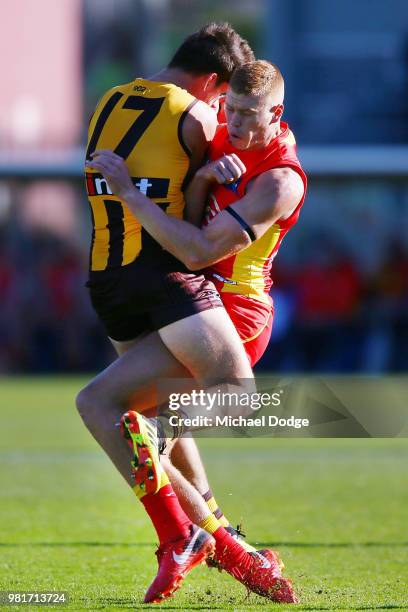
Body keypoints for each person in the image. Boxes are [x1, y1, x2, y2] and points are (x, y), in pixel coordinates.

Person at [80, 24, 297, 604]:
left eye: (258, 115)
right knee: (170, 456)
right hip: (194, 300)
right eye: (236, 111)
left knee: (124, 412)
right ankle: (247, 562)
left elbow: (199, 249)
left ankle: (181, 536)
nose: (243, 125)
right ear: (224, 98)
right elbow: (193, 215)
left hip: (239, 310)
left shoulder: (279, 179)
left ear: (279, 113)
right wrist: (200, 177)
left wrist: (129, 194)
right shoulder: (219, 136)